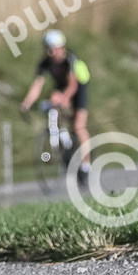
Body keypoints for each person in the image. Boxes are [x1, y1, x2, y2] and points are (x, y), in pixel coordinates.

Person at [20, 28, 91, 179]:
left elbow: (72, 85)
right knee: (53, 101)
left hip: (79, 86)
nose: (51, 53)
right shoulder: (45, 63)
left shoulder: (70, 60)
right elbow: (37, 85)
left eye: (53, 49)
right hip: (61, 86)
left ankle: (86, 165)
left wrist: (64, 98)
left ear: (61, 48)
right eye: (48, 50)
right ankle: (63, 142)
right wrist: (27, 103)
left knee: (78, 126)